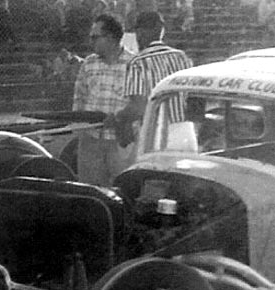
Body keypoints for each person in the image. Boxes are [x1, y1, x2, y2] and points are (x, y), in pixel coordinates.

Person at [110, 11, 192, 153]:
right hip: (185, 133)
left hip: (156, 136)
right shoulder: (182, 57)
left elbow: (139, 107)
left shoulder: (138, 62)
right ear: (162, 31)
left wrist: (119, 117)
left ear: (140, 33)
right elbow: (195, 100)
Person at [71, 14, 135, 186]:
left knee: (123, 190)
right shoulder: (89, 63)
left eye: (95, 37)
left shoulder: (135, 64)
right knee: (90, 193)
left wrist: (119, 119)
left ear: (111, 37)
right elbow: (79, 95)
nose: (91, 41)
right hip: (90, 140)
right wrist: (79, 125)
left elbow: (138, 104)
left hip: (121, 141)